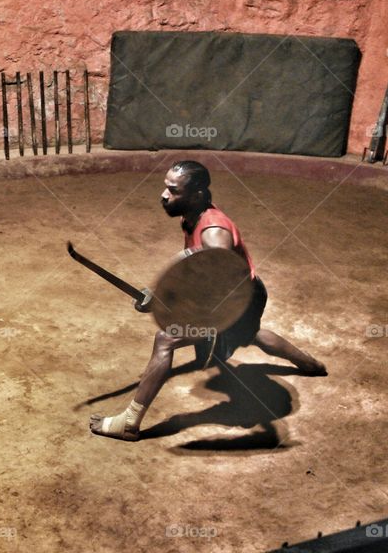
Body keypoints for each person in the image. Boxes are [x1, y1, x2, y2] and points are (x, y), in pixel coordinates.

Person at [90, 160, 326, 442]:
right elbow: (196, 274)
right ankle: (311, 365)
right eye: (166, 188)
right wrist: (164, 296)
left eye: (173, 190)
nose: (164, 195)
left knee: (166, 339)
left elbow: (217, 283)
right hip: (243, 293)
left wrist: (170, 301)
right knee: (250, 334)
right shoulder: (190, 216)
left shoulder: (215, 233)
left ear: (197, 195)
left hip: (235, 300)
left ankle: (128, 423)